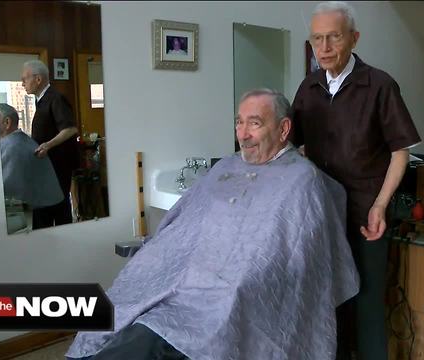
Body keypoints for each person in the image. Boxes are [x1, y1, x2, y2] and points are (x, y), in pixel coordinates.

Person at [66, 89, 359, 360]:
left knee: (161, 332)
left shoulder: (301, 179)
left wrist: (235, 274)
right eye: (239, 123)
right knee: (128, 303)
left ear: (283, 129)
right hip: (184, 271)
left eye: (254, 123)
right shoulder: (227, 166)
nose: (243, 134)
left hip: (233, 286)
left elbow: (296, 251)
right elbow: (183, 218)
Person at [291, 2, 422, 359]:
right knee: (327, 302)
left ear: (354, 38)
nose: (325, 47)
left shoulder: (379, 85)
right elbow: (295, 146)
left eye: (334, 37)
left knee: (366, 304)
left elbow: (400, 152)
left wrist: (381, 204)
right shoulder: (309, 88)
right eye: (317, 39)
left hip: (367, 214)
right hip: (321, 214)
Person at [21, 59, 80, 229]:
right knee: (47, 209)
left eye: (25, 78)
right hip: (47, 166)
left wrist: (47, 145)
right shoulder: (42, 100)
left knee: (58, 209)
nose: (22, 83)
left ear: (38, 79)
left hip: (58, 166)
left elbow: (70, 129)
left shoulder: (56, 98)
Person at [0, 103, 64, 210]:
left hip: (38, 207)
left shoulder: (11, 146)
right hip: (48, 202)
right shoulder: (22, 139)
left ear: (7, 122)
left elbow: (6, 187)